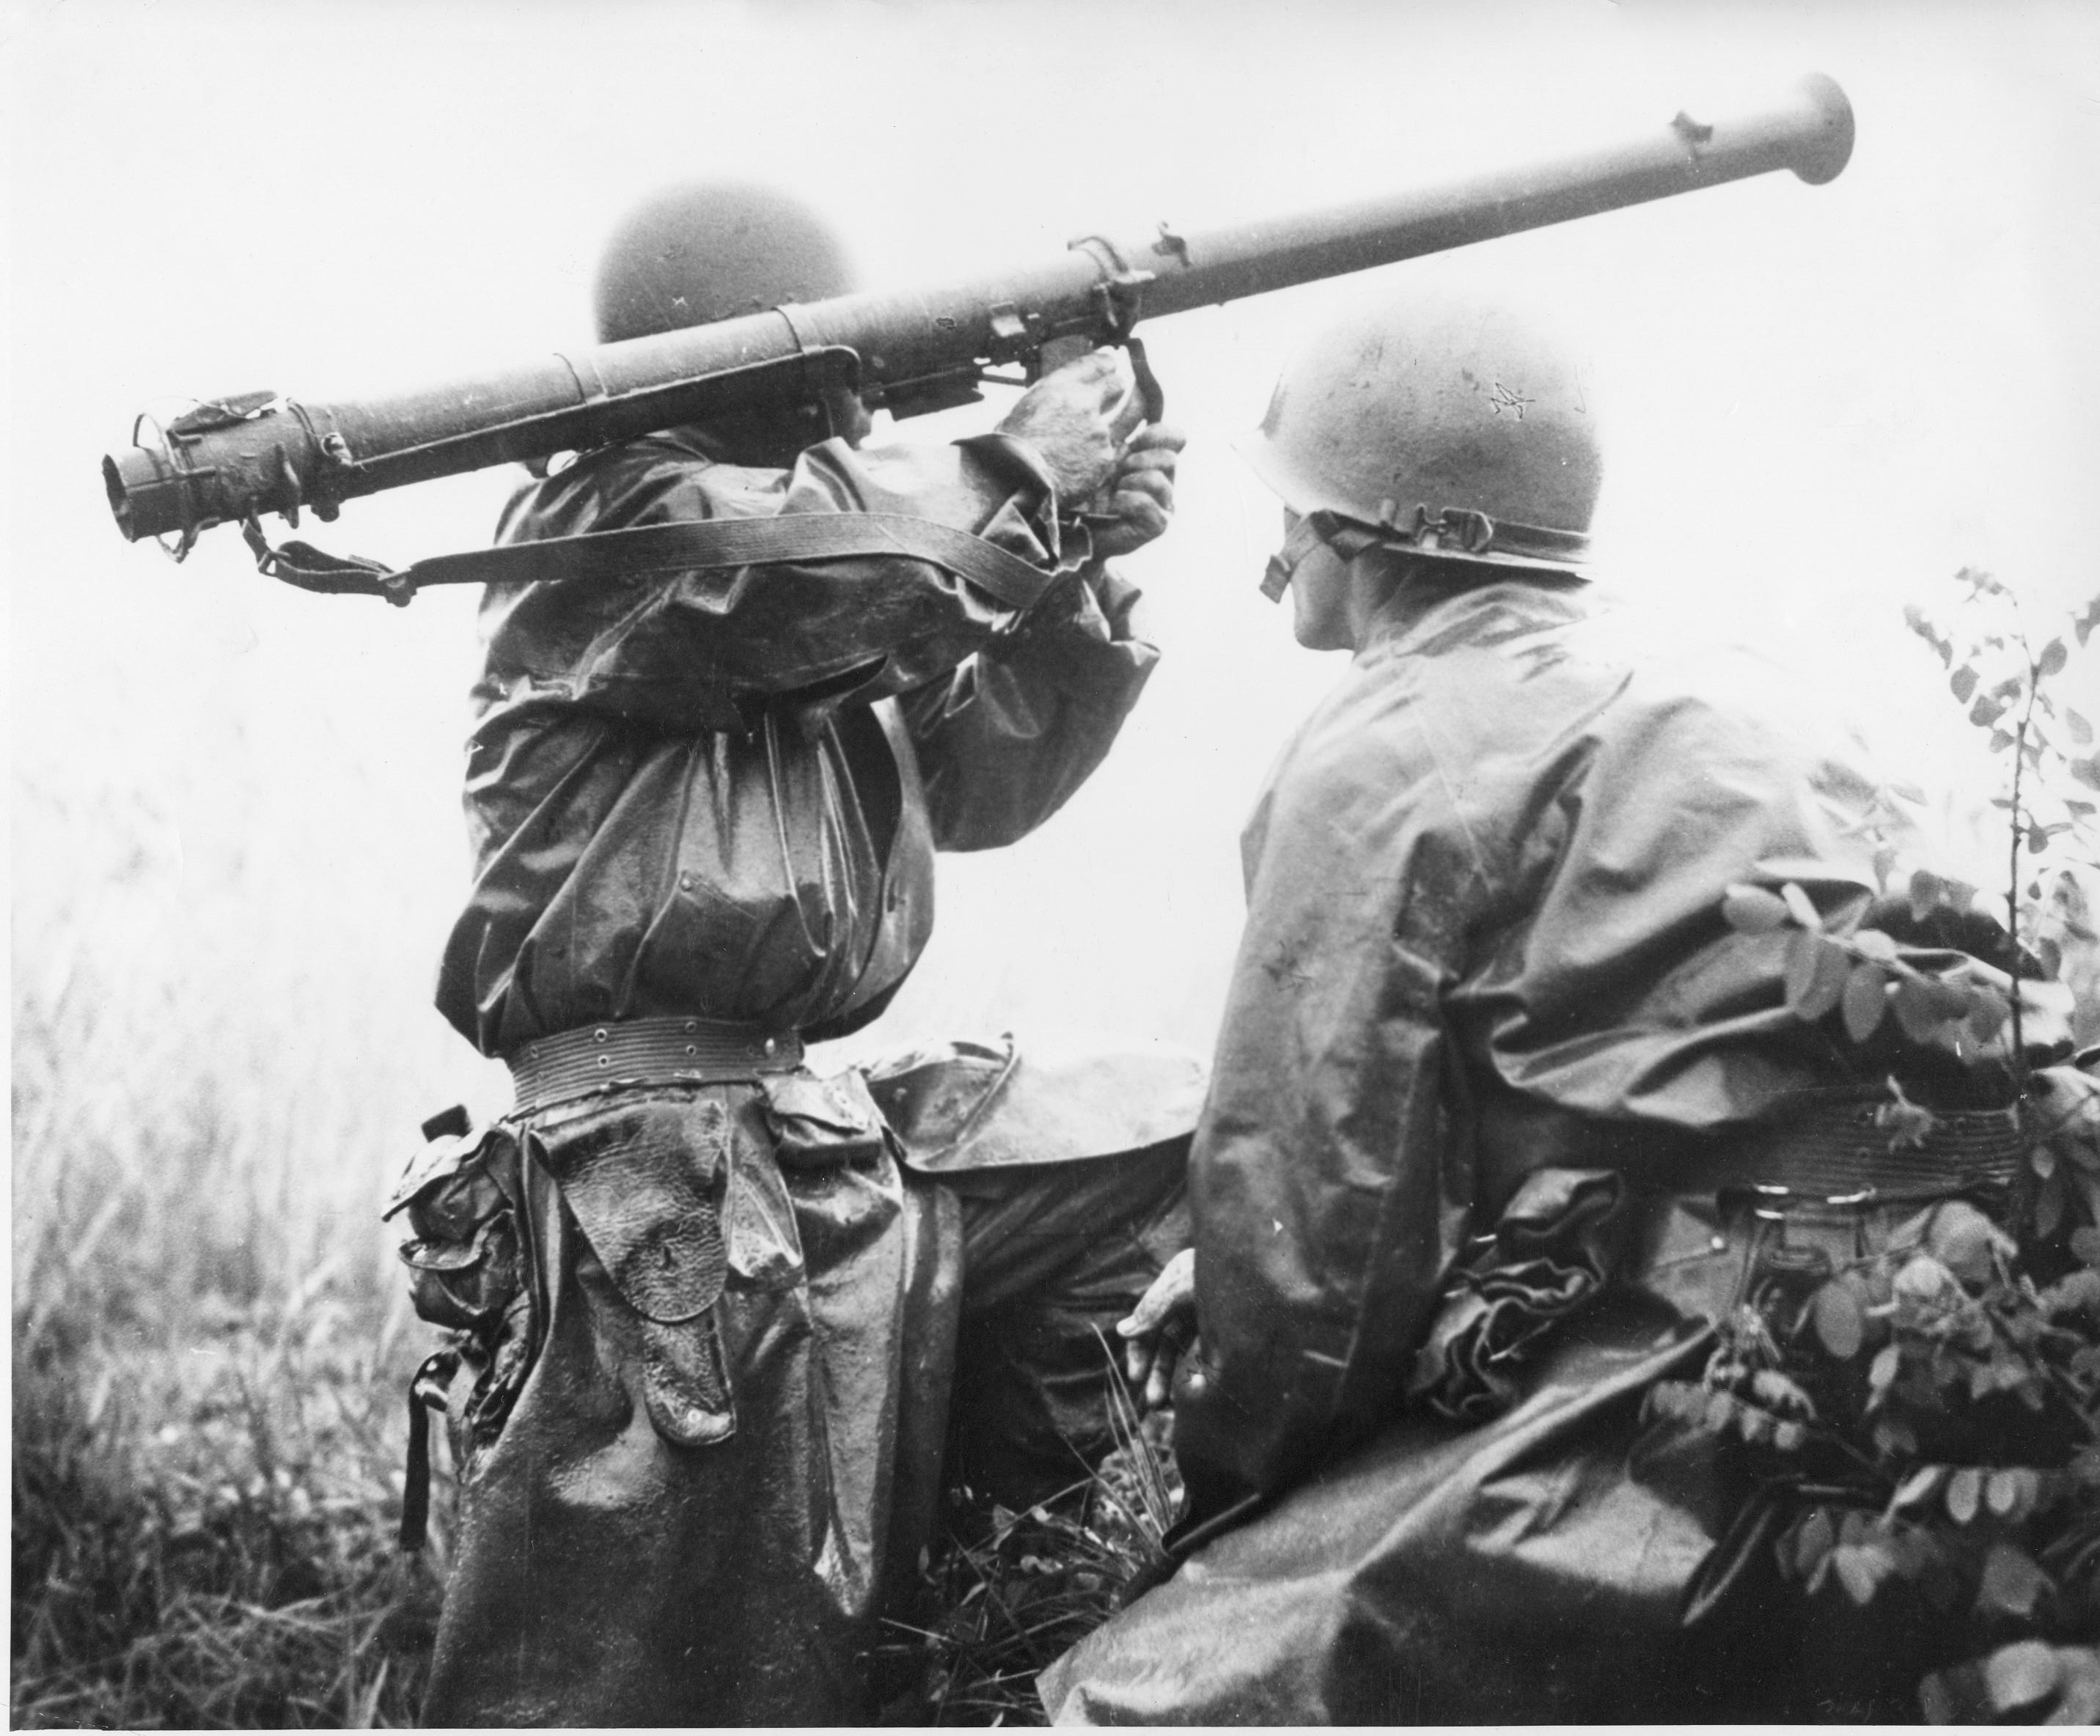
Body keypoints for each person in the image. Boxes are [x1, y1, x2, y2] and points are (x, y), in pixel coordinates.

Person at [1042, 284, 2085, 1723]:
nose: (1275, 543)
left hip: (1695, 1396)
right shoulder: (1746, 689)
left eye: (1297, 504)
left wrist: (1217, 1529)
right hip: (1967, 1342)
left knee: (1135, 1697)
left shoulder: (1380, 752)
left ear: (1368, 531)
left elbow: (1310, 1282)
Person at [385, 182, 1195, 1726]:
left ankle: (986, 1606)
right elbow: (779, 574)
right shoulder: (610, 525)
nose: (863, 391)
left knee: (1150, 1138)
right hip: (651, 1178)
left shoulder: (838, 574)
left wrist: (1062, 544)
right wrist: (1008, 464)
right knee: (636, 1688)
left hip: (789, 1138)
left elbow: (989, 778)